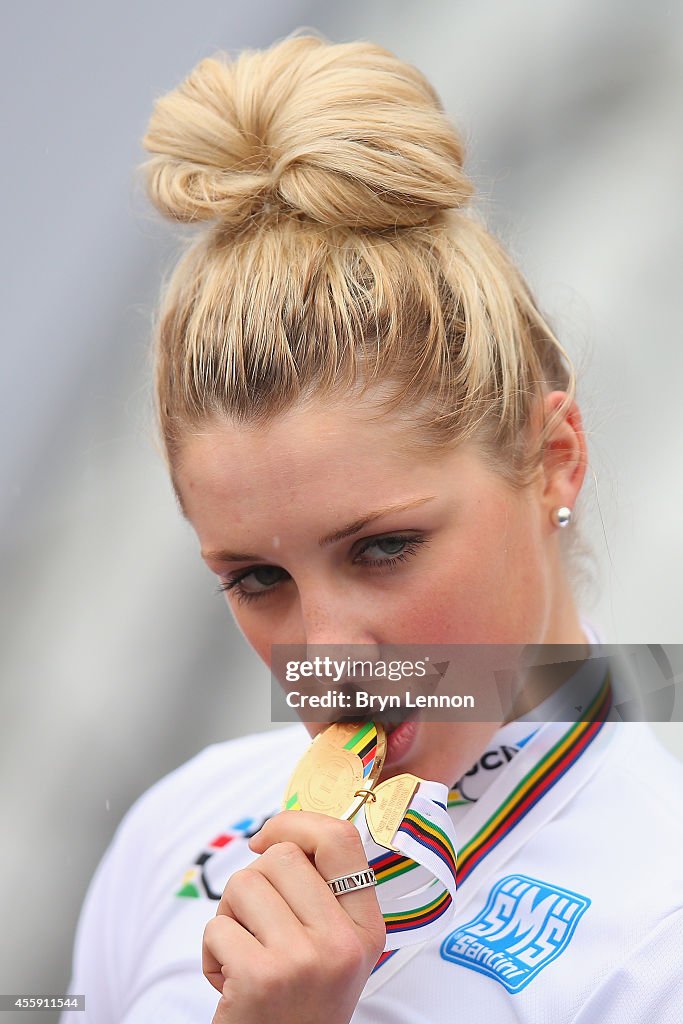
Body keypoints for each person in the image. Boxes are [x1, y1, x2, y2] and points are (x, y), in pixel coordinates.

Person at [62, 32, 683, 1024]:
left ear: (553, 456)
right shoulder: (174, 834)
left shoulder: (658, 924)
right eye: (256, 578)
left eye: (381, 548)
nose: (327, 652)